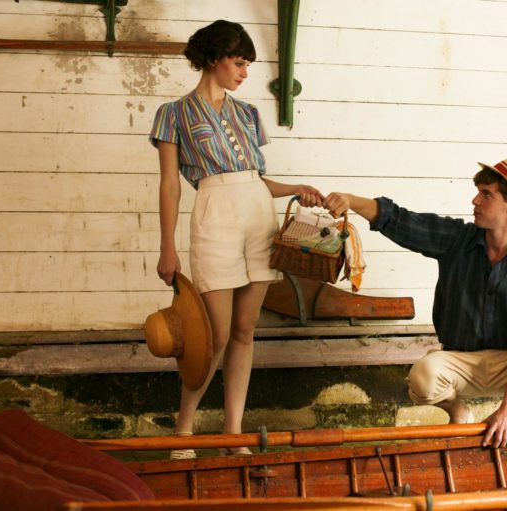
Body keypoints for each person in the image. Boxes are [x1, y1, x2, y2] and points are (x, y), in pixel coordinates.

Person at [149, 20, 324, 459]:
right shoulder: (173, 114)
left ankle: (233, 435)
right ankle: (183, 431)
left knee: (245, 330)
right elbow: (169, 185)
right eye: (239, 63)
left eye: (247, 65)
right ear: (214, 59)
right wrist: (167, 247)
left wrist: (295, 187)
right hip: (215, 213)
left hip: (258, 214)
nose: (245, 73)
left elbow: (255, 179)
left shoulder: (247, 114)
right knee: (213, 335)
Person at [324, 156, 507, 449]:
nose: (475, 201)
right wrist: (350, 201)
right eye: (478, 192)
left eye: (487, 195)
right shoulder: (456, 239)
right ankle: (459, 412)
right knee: (422, 378)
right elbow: (399, 220)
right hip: (460, 363)